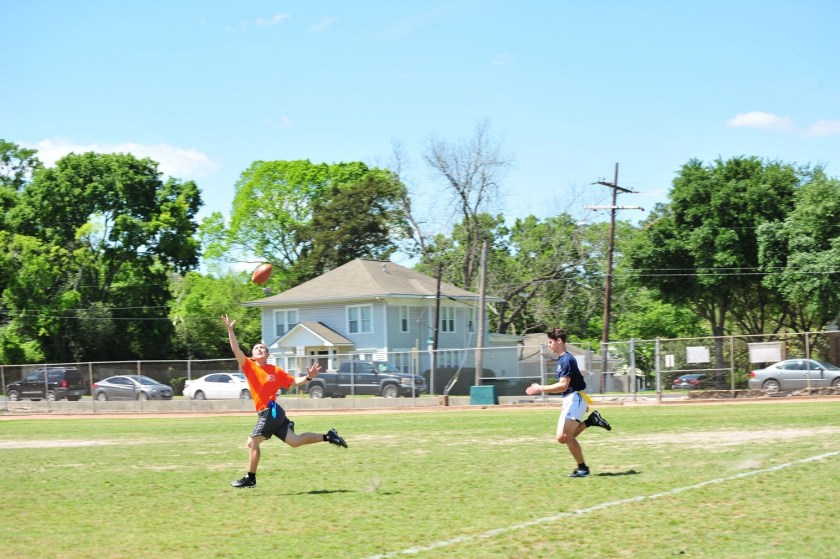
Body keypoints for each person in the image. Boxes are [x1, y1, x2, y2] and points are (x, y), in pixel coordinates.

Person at [222, 314, 347, 489]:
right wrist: (230, 330)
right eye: (256, 348)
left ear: (267, 354)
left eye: (263, 348)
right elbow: (236, 350)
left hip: (271, 411)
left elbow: (294, 382)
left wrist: (308, 377)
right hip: (272, 413)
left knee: (252, 443)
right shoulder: (249, 366)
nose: (260, 349)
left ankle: (250, 478)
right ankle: (329, 436)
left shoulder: (275, 370)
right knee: (294, 441)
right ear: (252, 354)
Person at [526, 327, 611, 477]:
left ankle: (583, 468)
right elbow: (574, 383)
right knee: (562, 438)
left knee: (567, 437)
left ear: (559, 341)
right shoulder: (563, 360)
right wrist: (582, 402)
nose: (549, 345)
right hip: (572, 399)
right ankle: (592, 421)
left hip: (574, 399)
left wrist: (540, 388)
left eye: (550, 342)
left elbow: (563, 385)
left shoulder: (566, 359)